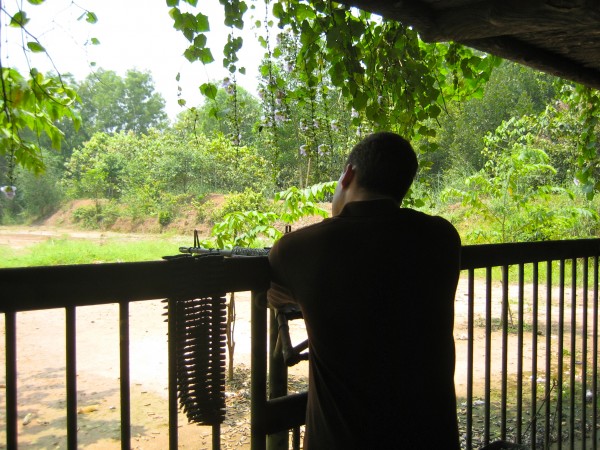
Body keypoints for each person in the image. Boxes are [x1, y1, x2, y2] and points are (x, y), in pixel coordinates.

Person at [267, 131, 461, 449]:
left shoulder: (297, 249)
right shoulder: (442, 237)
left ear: (349, 174)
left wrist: (299, 297)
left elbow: (289, 290)